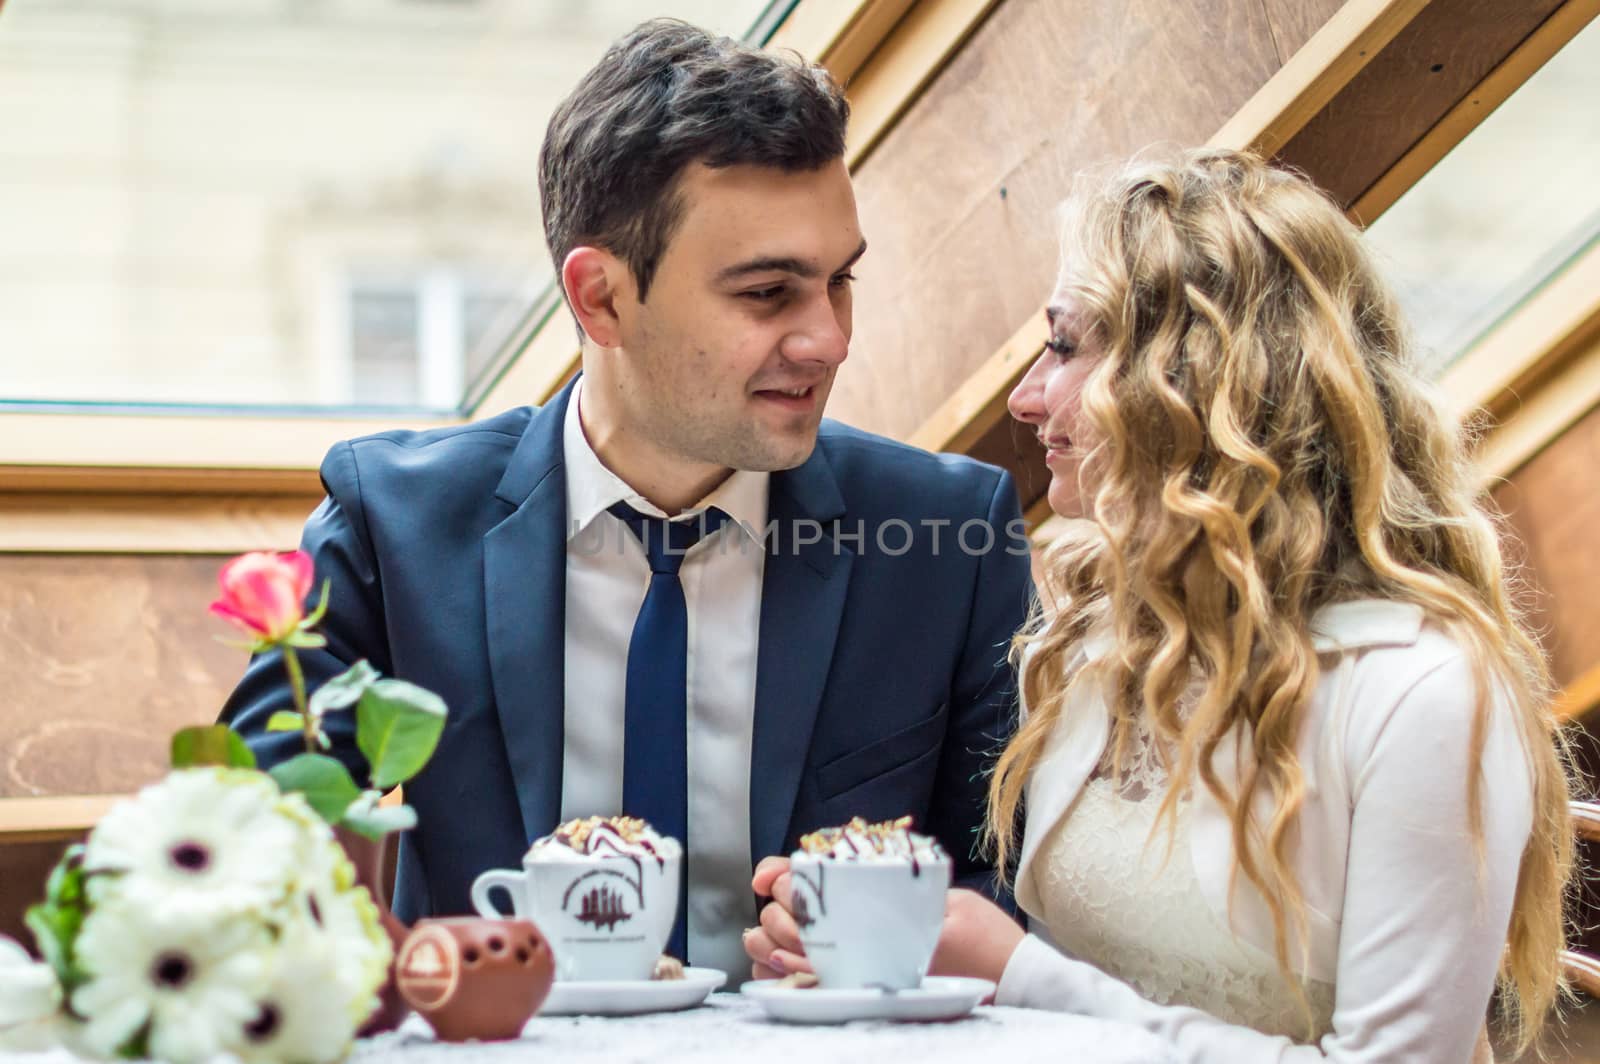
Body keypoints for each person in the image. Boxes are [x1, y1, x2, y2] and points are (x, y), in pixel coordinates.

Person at [221, 18, 1033, 980]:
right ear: (600, 298)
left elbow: (1012, 889)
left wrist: (897, 944)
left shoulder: (950, 537)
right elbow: (244, 850)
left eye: (839, 281)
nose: (828, 339)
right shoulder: (391, 525)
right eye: (770, 293)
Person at [745, 149, 1573, 1060]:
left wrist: (1017, 975)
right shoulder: (1097, 638)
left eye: (1063, 347)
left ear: (1199, 381)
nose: (1025, 398)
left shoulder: (1422, 694)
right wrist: (888, 952)